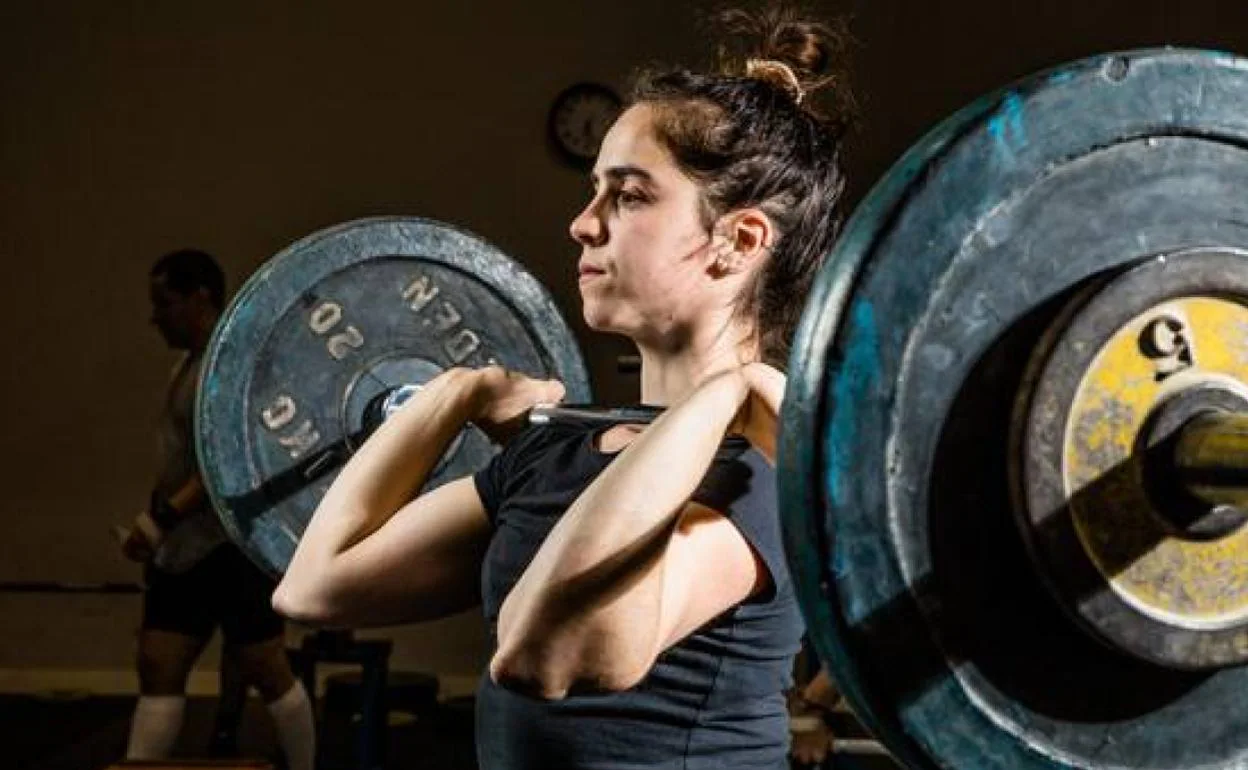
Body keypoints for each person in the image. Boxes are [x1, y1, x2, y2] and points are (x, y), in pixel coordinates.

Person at [274, 6, 851, 768]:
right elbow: (316, 587)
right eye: (594, 191)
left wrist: (724, 394)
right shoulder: (557, 450)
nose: (584, 224)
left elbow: (545, 653)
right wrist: (456, 394)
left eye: (631, 195)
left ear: (736, 241)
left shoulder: (762, 472)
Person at [121, 248, 315, 770]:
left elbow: (223, 464)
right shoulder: (187, 366)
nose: (154, 317)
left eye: (165, 303)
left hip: (231, 547)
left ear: (200, 297)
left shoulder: (226, 367)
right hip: (183, 550)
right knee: (158, 663)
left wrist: (157, 520)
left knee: (265, 666)